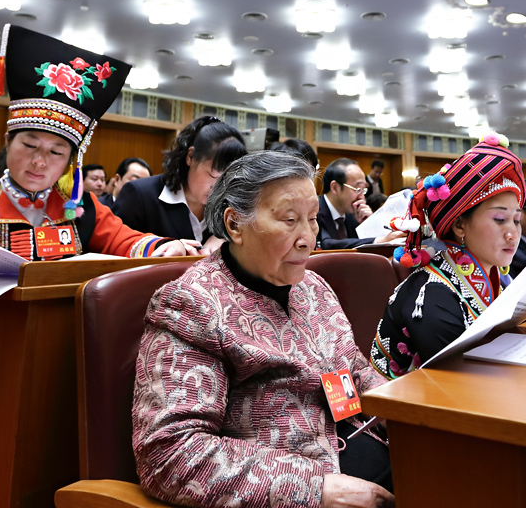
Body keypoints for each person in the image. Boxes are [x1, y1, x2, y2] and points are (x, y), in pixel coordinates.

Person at [0, 25, 192, 508]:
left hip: (63, 355)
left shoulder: (81, 209)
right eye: (29, 144)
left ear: (71, 159)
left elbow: (126, 243)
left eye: (56, 151)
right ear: (9, 141)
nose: (40, 160)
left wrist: (164, 248)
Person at [133, 151, 394, 508]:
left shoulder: (313, 287)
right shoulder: (191, 303)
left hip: (370, 451)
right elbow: (170, 453)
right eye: (289, 220)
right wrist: (315, 489)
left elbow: (354, 371)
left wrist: (401, 413)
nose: (308, 238)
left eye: (313, 220)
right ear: (235, 224)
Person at [370, 133, 524, 375]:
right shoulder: (432, 295)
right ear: (460, 225)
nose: (512, 234)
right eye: (499, 219)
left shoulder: (487, 278)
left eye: (516, 220)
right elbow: (461, 380)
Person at [112, 116, 247, 255]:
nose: (219, 188)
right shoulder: (140, 195)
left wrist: (225, 237)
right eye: (213, 176)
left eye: (228, 180)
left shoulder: (231, 207)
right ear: (191, 157)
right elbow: (112, 250)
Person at [317, 158, 402, 249]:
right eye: (358, 189)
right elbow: (326, 244)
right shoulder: (314, 211)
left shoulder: (353, 215)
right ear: (335, 188)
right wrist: (377, 241)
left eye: (363, 190)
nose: (362, 197)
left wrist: (368, 224)